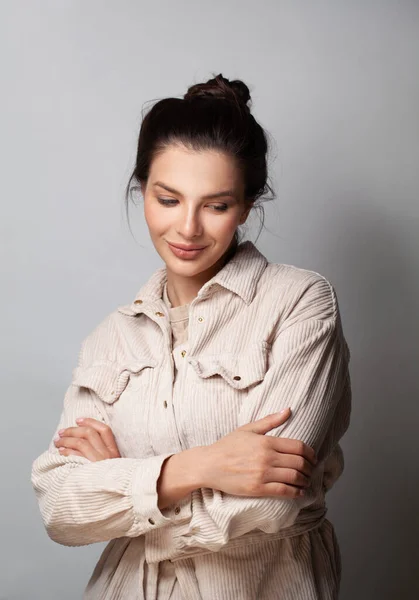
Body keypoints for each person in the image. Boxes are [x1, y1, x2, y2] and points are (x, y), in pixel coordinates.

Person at [31, 73, 351, 600]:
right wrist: (201, 466)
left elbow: (274, 503)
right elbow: (60, 509)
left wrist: (123, 490)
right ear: (142, 192)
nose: (187, 228)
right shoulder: (109, 338)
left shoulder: (300, 303)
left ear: (247, 206)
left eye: (217, 205)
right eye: (168, 199)